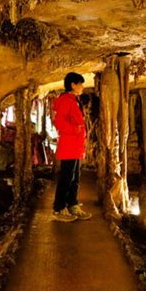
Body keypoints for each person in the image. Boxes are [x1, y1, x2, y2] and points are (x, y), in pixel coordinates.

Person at [52, 72, 92, 222]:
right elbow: (59, 122)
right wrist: (76, 130)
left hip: (75, 146)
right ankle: (59, 207)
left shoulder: (75, 101)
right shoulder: (66, 101)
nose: (82, 87)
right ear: (73, 85)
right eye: (80, 83)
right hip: (69, 145)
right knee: (66, 178)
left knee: (75, 178)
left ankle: (72, 204)